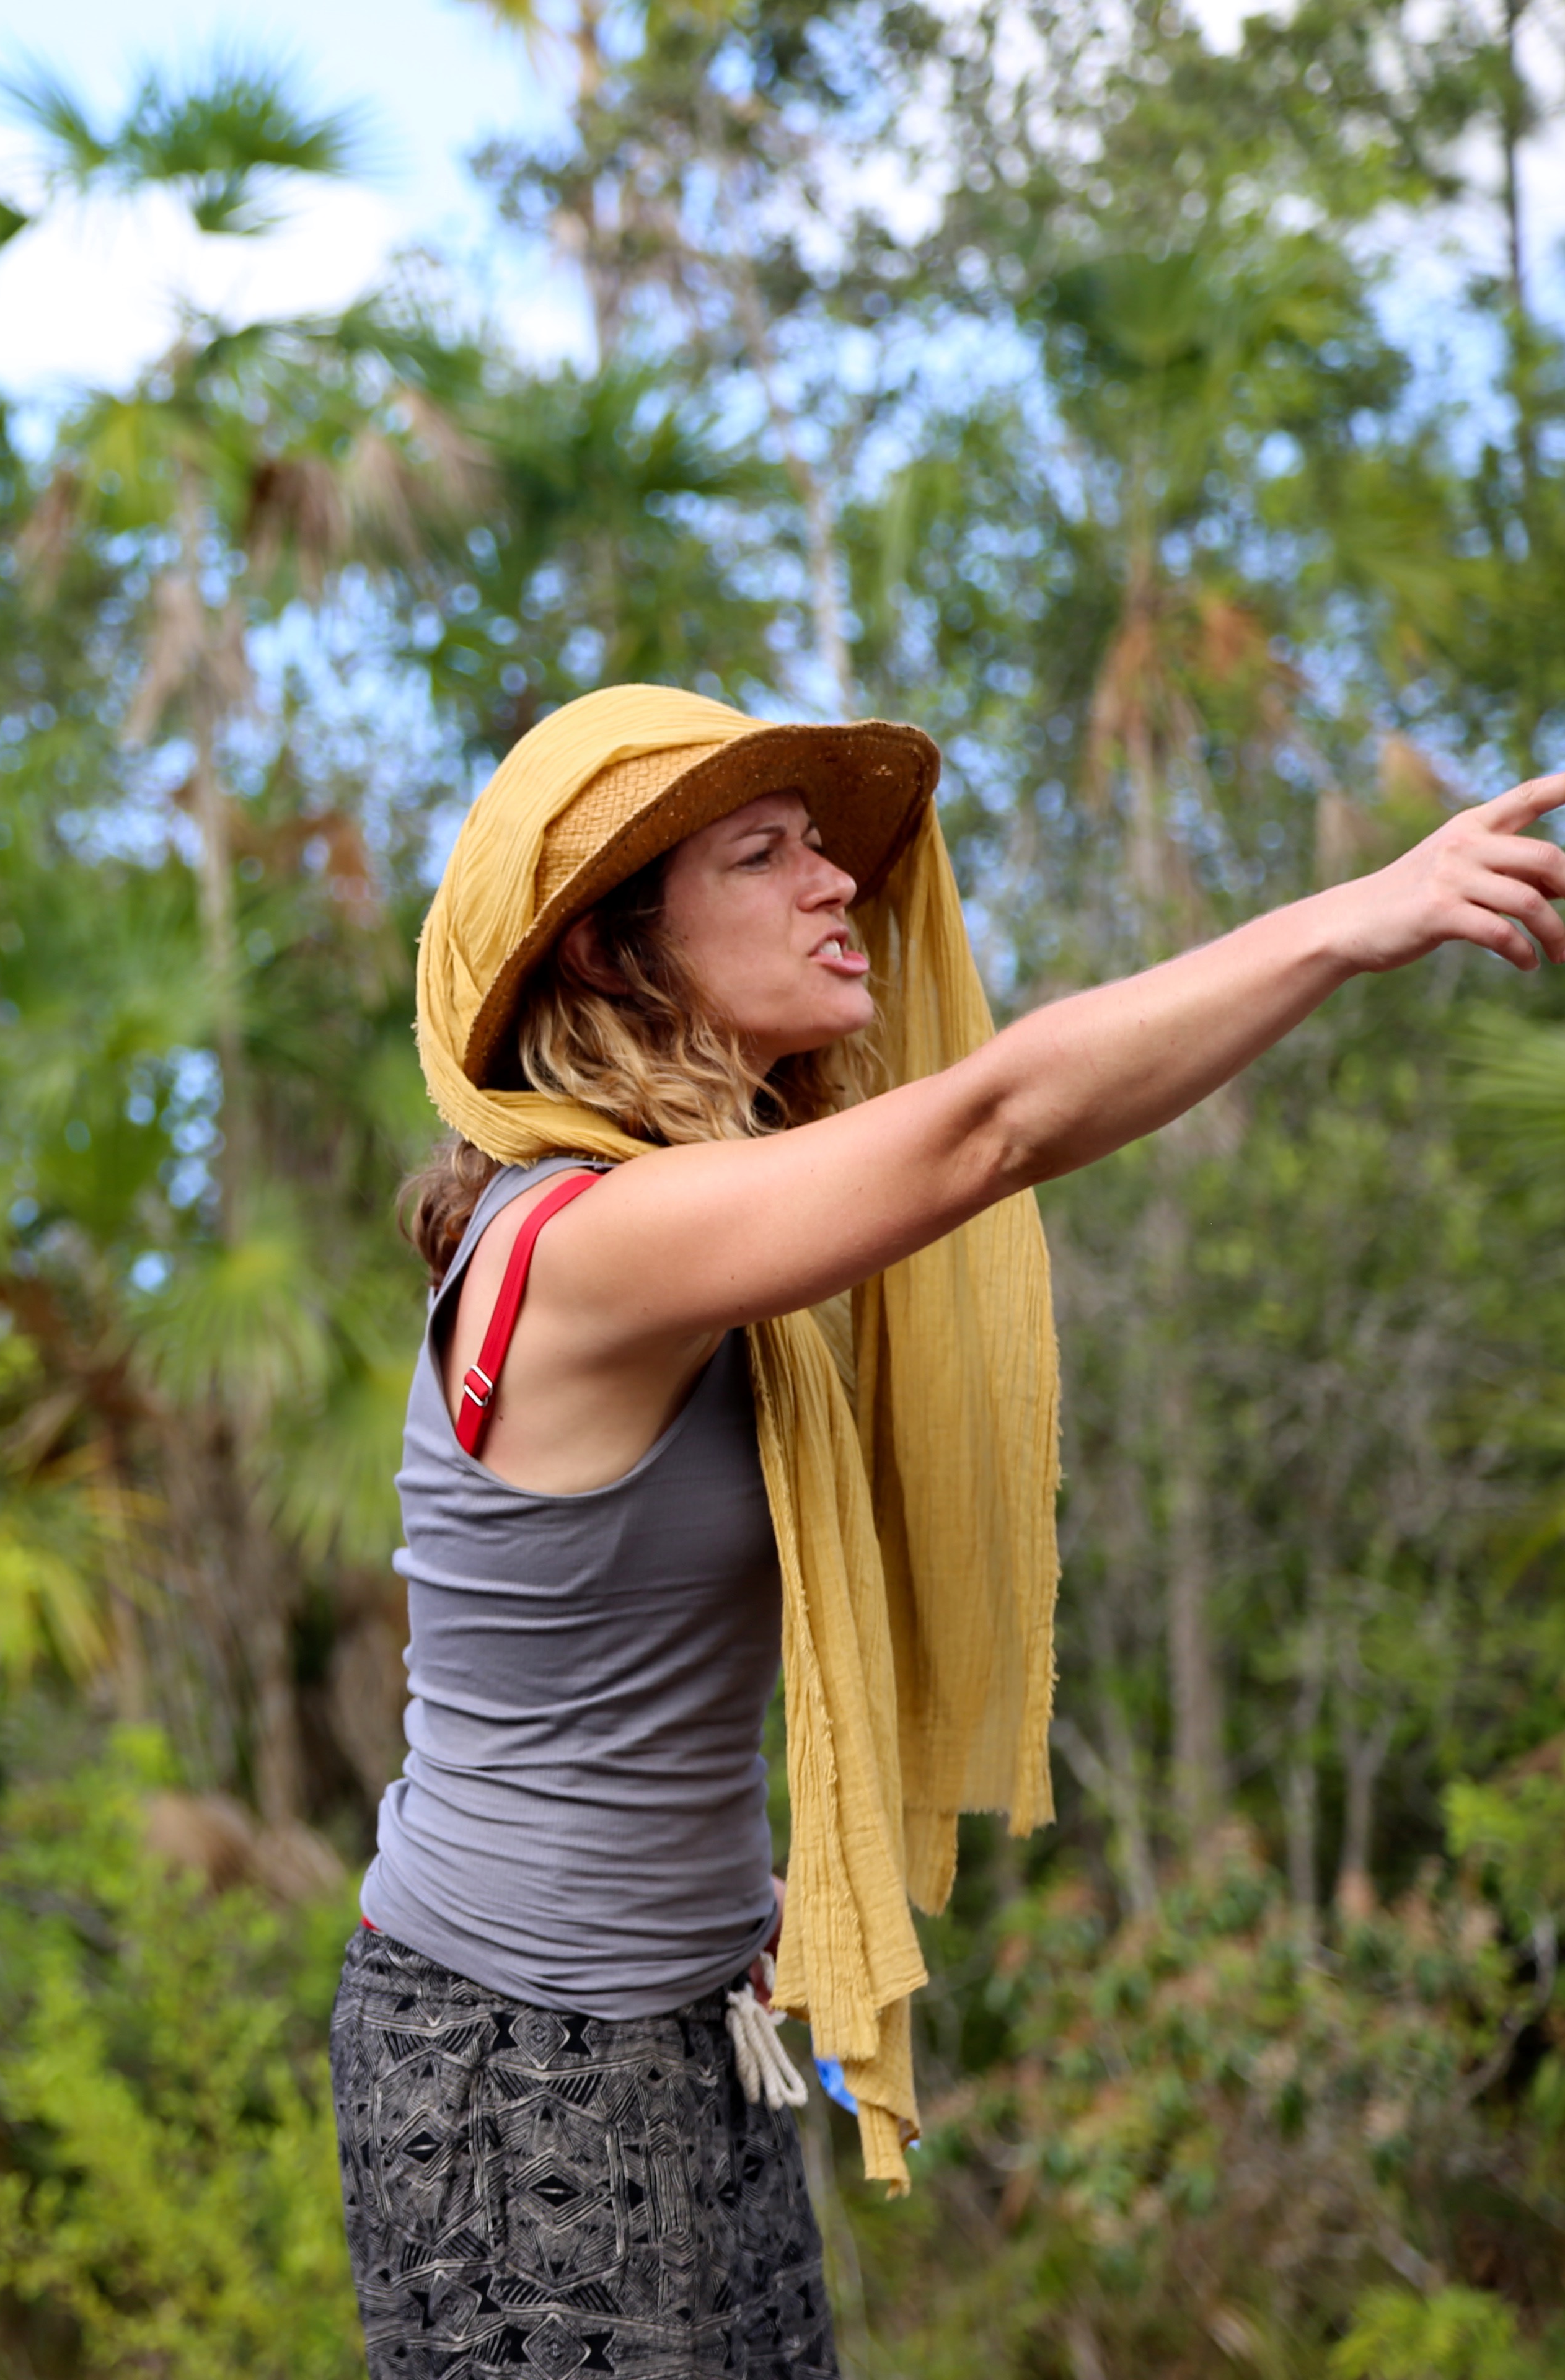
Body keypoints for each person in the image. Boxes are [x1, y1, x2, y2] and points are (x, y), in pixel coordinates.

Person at [336, 683, 1565, 2379]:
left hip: (694, 2019)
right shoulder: (588, 1245)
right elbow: (998, 1122)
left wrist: (715, 1882)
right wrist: (1357, 919)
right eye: (761, 858)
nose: (834, 884)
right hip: (519, 2059)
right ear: (616, 959)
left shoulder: (713, 1271)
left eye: (822, 852)